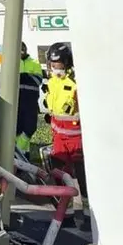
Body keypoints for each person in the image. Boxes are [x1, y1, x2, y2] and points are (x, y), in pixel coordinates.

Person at [43, 42, 88, 209]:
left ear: (67, 63)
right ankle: (64, 208)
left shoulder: (77, 82)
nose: (55, 68)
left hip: (76, 136)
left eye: (58, 65)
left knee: (81, 174)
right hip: (58, 136)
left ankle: (85, 207)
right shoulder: (52, 81)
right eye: (52, 65)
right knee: (60, 172)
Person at [16, 42, 44, 153]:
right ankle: (19, 153)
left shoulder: (34, 63)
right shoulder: (13, 62)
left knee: (29, 128)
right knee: (16, 129)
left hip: (30, 102)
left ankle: (19, 150)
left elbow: (38, 80)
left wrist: (22, 76)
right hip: (16, 102)